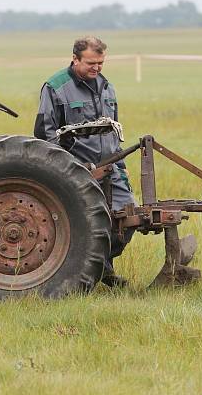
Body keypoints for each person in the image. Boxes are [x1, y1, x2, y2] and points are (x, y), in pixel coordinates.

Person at [34, 36, 135, 287]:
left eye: (101, 63)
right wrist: (65, 170)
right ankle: (81, 275)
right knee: (81, 223)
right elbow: (45, 135)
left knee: (128, 215)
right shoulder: (56, 87)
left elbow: (114, 131)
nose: (97, 68)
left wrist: (120, 166)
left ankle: (102, 266)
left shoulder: (106, 87)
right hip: (77, 170)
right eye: (91, 63)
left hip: (111, 166)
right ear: (75, 59)